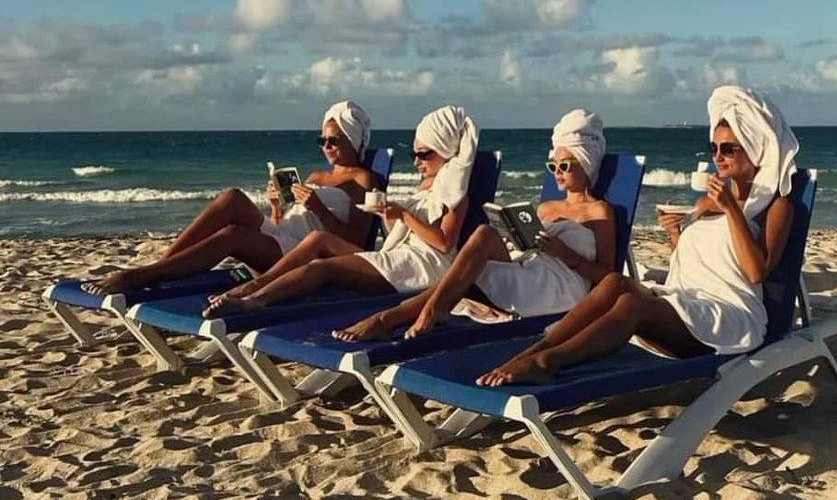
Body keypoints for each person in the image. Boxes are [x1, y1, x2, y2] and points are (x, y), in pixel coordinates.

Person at [477, 85, 799, 387]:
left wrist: (732, 210)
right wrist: (676, 235)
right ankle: (530, 354)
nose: (718, 156)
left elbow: (756, 271)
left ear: (755, 149)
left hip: (727, 317)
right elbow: (702, 264)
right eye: (713, 147)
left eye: (729, 148)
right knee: (614, 284)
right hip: (686, 302)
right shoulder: (706, 202)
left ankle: (548, 362)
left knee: (632, 303)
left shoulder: (776, 206)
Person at [337, 109, 616, 343]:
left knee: (469, 274)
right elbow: (528, 249)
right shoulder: (546, 208)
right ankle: (411, 313)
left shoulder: (599, 211)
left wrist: (565, 255)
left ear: (586, 162)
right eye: (553, 165)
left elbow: (609, 277)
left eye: (564, 166)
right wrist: (514, 237)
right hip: (529, 267)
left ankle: (398, 316)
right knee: (484, 238)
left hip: (559, 287)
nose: (557, 172)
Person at [204, 104, 478, 316]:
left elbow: (443, 243)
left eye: (424, 154)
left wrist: (403, 214)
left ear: (445, 149)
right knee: (318, 241)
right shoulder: (428, 186)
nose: (417, 161)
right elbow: (403, 235)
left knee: (322, 267)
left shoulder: (454, 193)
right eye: (414, 154)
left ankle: (255, 299)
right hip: (400, 257)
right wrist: (389, 217)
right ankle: (254, 289)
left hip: (421, 267)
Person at [83, 100, 378, 295]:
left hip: (298, 254)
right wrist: (276, 203)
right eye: (322, 140)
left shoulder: (362, 179)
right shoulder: (315, 175)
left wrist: (317, 208)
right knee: (232, 198)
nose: (326, 146)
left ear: (353, 139)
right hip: (282, 235)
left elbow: (355, 243)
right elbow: (283, 221)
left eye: (333, 140)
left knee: (233, 235)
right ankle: (159, 267)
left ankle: (143, 277)